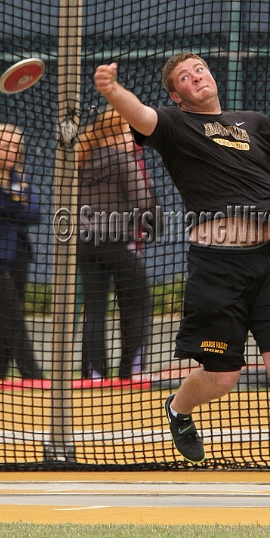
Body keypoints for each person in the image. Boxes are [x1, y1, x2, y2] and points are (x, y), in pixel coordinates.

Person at [94, 52, 270, 494]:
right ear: (176, 96)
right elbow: (139, 116)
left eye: (199, 68)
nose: (196, 76)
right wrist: (112, 91)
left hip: (267, 261)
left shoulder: (249, 124)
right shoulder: (175, 126)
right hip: (216, 268)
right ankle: (179, 409)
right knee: (223, 376)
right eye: (185, 76)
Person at [77, 107, 158, 381]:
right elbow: (142, 202)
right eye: (128, 131)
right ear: (114, 134)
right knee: (138, 302)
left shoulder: (82, 159)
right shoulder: (123, 160)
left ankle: (94, 371)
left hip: (85, 243)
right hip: (117, 243)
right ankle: (131, 369)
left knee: (95, 307)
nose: (133, 137)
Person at [0, 122, 44, 381]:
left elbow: (35, 212)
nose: (11, 151)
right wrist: (15, 200)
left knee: (6, 315)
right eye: (5, 146)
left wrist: (13, 200)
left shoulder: (19, 179)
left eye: (15, 146)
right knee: (12, 314)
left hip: (19, 255)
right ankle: (33, 376)